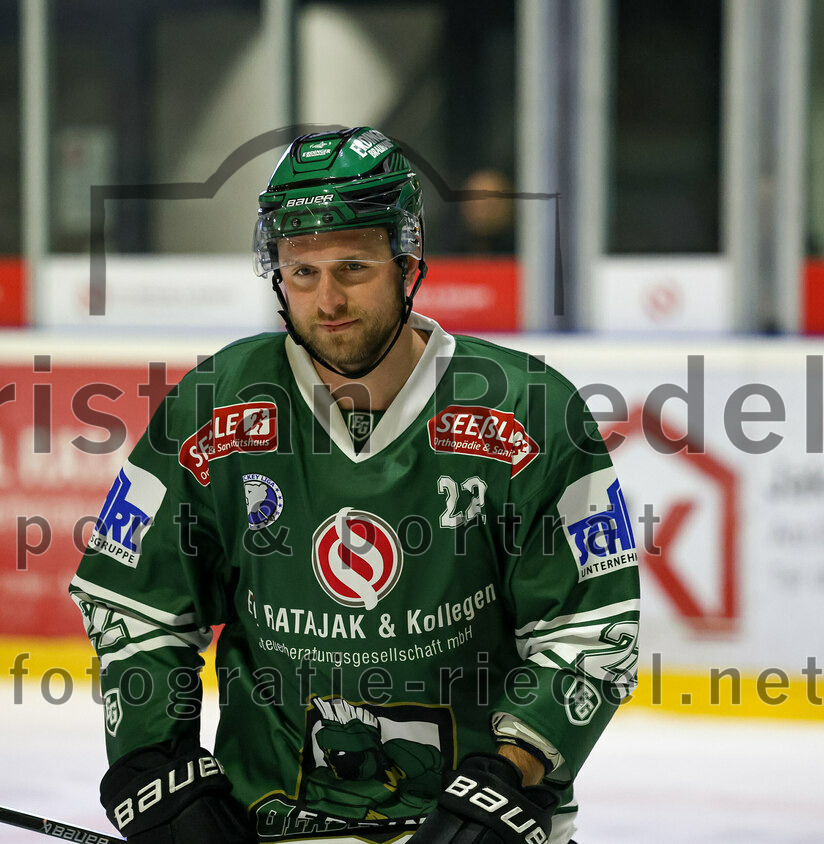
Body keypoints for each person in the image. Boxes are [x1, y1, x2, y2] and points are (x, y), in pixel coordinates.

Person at [70, 126, 640, 844]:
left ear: (407, 261)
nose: (328, 298)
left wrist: (508, 778)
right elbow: (137, 605)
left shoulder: (530, 409)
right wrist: (157, 766)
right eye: (301, 273)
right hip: (272, 824)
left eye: (353, 267)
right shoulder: (215, 405)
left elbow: (590, 631)